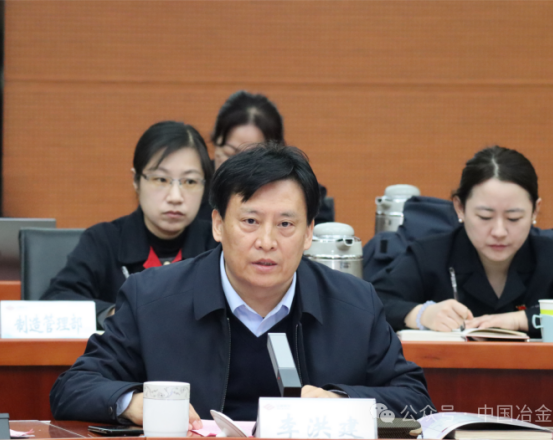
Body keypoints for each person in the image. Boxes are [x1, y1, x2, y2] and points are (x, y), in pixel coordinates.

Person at [49, 142, 433, 425]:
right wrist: (133, 402)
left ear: (308, 233)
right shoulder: (151, 298)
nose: (267, 241)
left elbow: (415, 400)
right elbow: (73, 387)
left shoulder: (355, 304)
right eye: (250, 221)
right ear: (218, 225)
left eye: (285, 224)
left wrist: (343, 402)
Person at [372, 146, 553, 339]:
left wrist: (521, 319)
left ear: (535, 210)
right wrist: (420, 314)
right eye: (485, 217)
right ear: (460, 208)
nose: (499, 232)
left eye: (514, 218)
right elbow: (370, 303)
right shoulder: (430, 254)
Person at [41, 121, 218, 328]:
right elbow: (56, 301)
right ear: (136, 180)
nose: (175, 197)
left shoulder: (218, 245)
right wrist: (120, 314)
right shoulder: (104, 241)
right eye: (161, 179)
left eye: (190, 182)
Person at [197, 90, 335, 224]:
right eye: (229, 154)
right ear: (215, 143)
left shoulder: (302, 193)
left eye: (251, 158)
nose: (238, 168)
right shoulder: (195, 186)